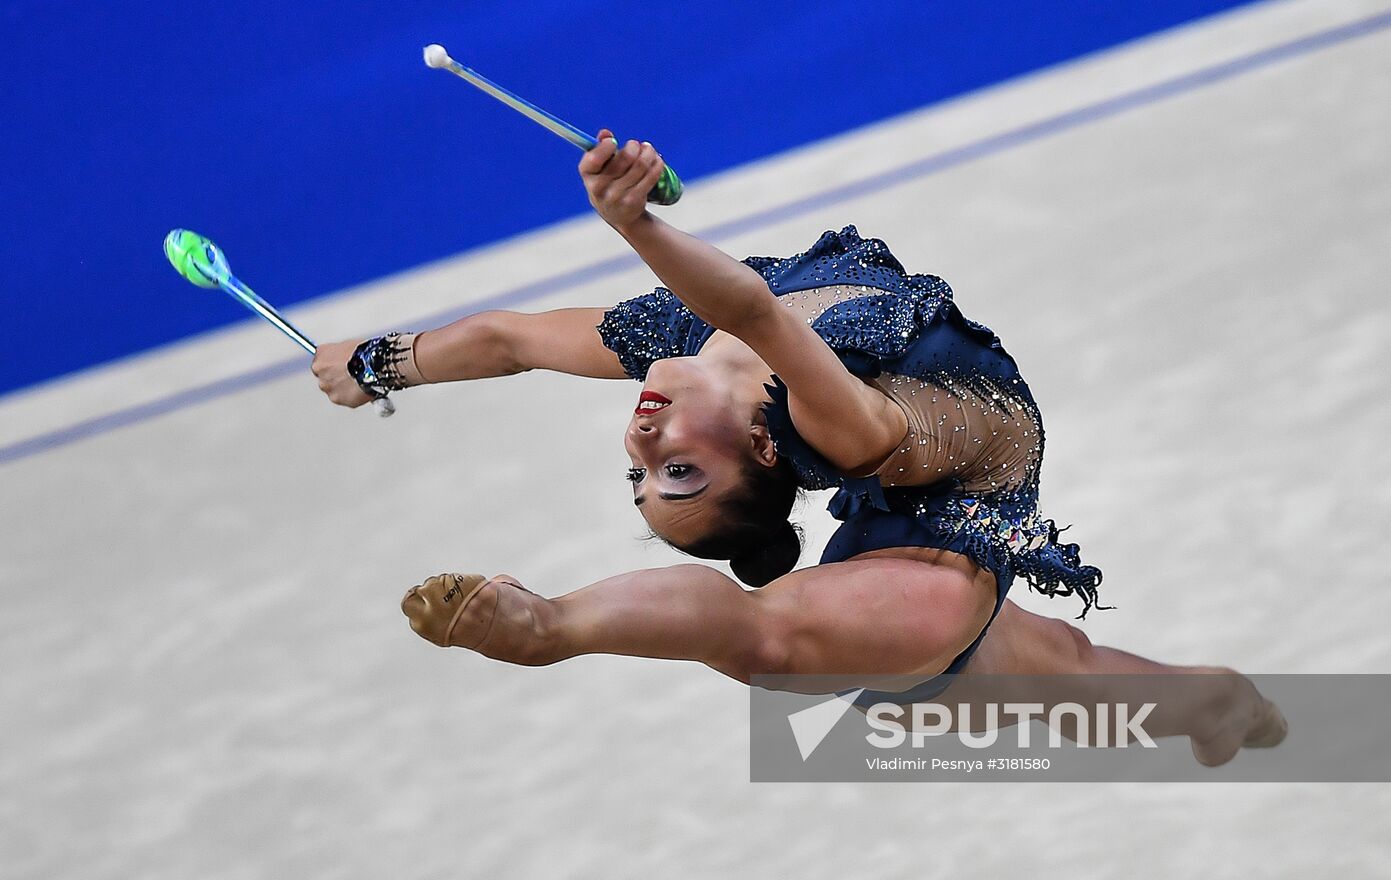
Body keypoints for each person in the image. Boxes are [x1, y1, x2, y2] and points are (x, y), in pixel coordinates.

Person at [312, 132, 1284, 764]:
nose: (641, 439)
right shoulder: (830, 421)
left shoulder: (677, 342)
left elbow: (512, 341)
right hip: (949, 480)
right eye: (677, 472)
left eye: (638, 473)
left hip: (937, 479)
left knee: (1031, 665)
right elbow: (750, 306)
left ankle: (1202, 702)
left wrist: (378, 360)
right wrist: (632, 221)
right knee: (798, 639)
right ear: (761, 449)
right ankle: (554, 625)